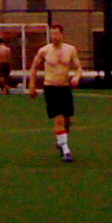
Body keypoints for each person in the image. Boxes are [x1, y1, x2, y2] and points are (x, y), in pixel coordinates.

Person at [28, 22, 83, 163]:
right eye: (51, 33)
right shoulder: (44, 50)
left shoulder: (70, 50)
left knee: (67, 121)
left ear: (62, 34)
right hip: (50, 87)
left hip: (64, 87)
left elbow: (78, 67)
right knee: (58, 119)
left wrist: (77, 76)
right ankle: (66, 150)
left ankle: (60, 141)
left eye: (56, 33)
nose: (54, 36)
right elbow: (34, 67)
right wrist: (32, 85)